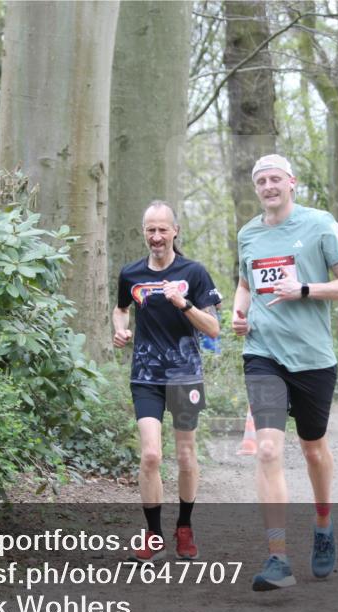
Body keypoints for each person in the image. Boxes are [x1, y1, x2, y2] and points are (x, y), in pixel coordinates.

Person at [232, 154, 338, 591]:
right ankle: (277, 557)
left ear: (292, 183)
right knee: (268, 449)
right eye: (260, 181)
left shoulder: (320, 224)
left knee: (312, 449)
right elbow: (246, 283)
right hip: (263, 354)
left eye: (275, 179)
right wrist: (239, 310)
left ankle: (323, 523)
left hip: (312, 357)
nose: (268, 186)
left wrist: (305, 289)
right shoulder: (248, 234)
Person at [113, 201, 221, 562]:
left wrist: (184, 305)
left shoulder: (195, 272)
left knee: (187, 456)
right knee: (150, 455)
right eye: (150, 230)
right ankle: (154, 535)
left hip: (185, 375)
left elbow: (213, 328)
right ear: (144, 233)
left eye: (162, 229)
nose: (156, 237)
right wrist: (120, 329)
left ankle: (185, 527)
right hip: (145, 376)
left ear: (175, 230)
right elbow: (120, 308)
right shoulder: (130, 274)